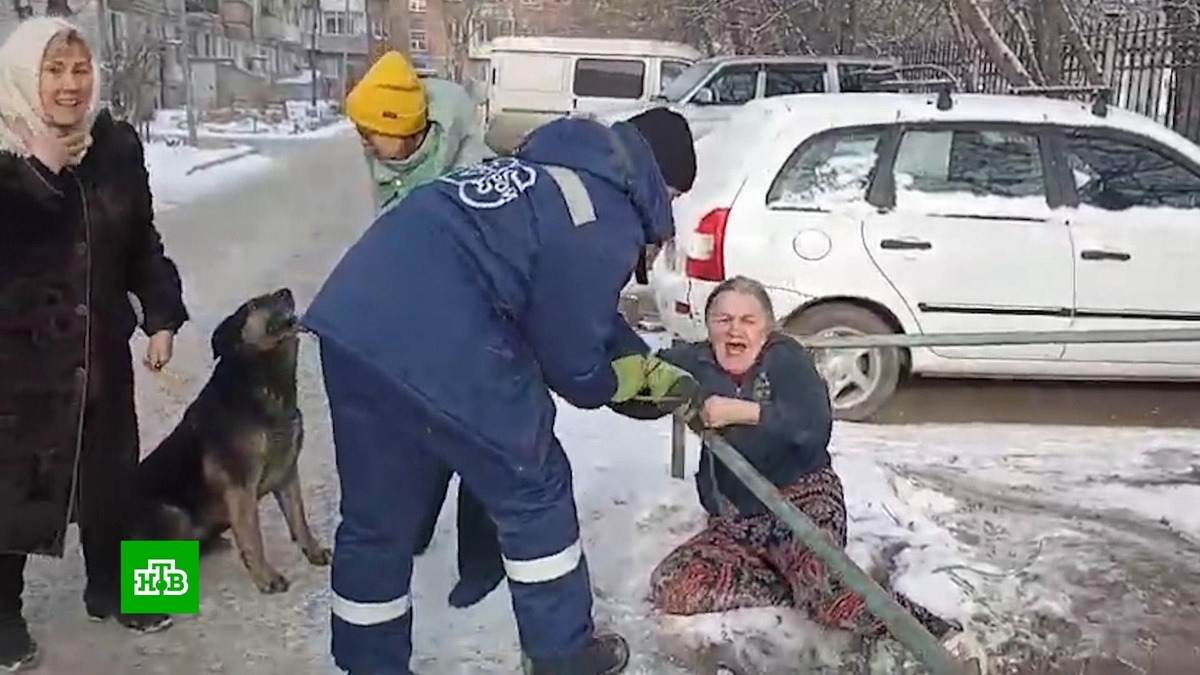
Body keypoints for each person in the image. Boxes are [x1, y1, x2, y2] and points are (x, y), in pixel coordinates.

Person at [302, 106, 700, 674]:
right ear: (660, 178)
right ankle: (563, 656)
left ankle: (368, 664)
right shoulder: (604, 214)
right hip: (447, 338)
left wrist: (635, 356)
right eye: (676, 195)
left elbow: (568, 301)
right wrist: (624, 381)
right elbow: (575, 365)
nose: (671, 209)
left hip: (356, 326)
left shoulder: (543, 175)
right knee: (534, 486)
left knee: (374, 523)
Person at [641, 276, 986, 669]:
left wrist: (745, 412)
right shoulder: (697, 361)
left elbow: (812, 426)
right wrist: (611, 370)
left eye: (748, 320)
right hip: (737, 520)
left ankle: (940, 634)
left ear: (767, 329)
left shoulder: (786, 360)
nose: (735, 330)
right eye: (724, 320)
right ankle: (801, 586)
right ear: (709, 327)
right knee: (674, 585)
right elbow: (642, 383)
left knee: (828, 596)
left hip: (801, 502)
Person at [0, 17, 189, 670]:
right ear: (23, 76)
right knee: (14, 490)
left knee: (116, 478)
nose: (70, 85)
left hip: (101, 350)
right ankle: (2, 618)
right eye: (53, 70)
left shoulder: (116, 144)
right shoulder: (4, 153)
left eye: (80, 69)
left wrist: (161, 314)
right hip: (17, 366)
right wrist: (40, 174)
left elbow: (142, 241)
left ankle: (124, 588)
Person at [345, 50, 505, 608]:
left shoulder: (468, 169)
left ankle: (479, 562)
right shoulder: (391, 150)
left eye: (373, 137)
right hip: (421, 319)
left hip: (472, 322)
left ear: (408, 131)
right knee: (420, 427)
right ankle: (138, 593)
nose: (366, 147)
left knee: (474, 436)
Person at [345, 50, 494, 214]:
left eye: (368, 132)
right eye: (360, 130)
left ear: (403, 129)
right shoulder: (386, 160)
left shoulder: (476, 181)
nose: (364, 141)